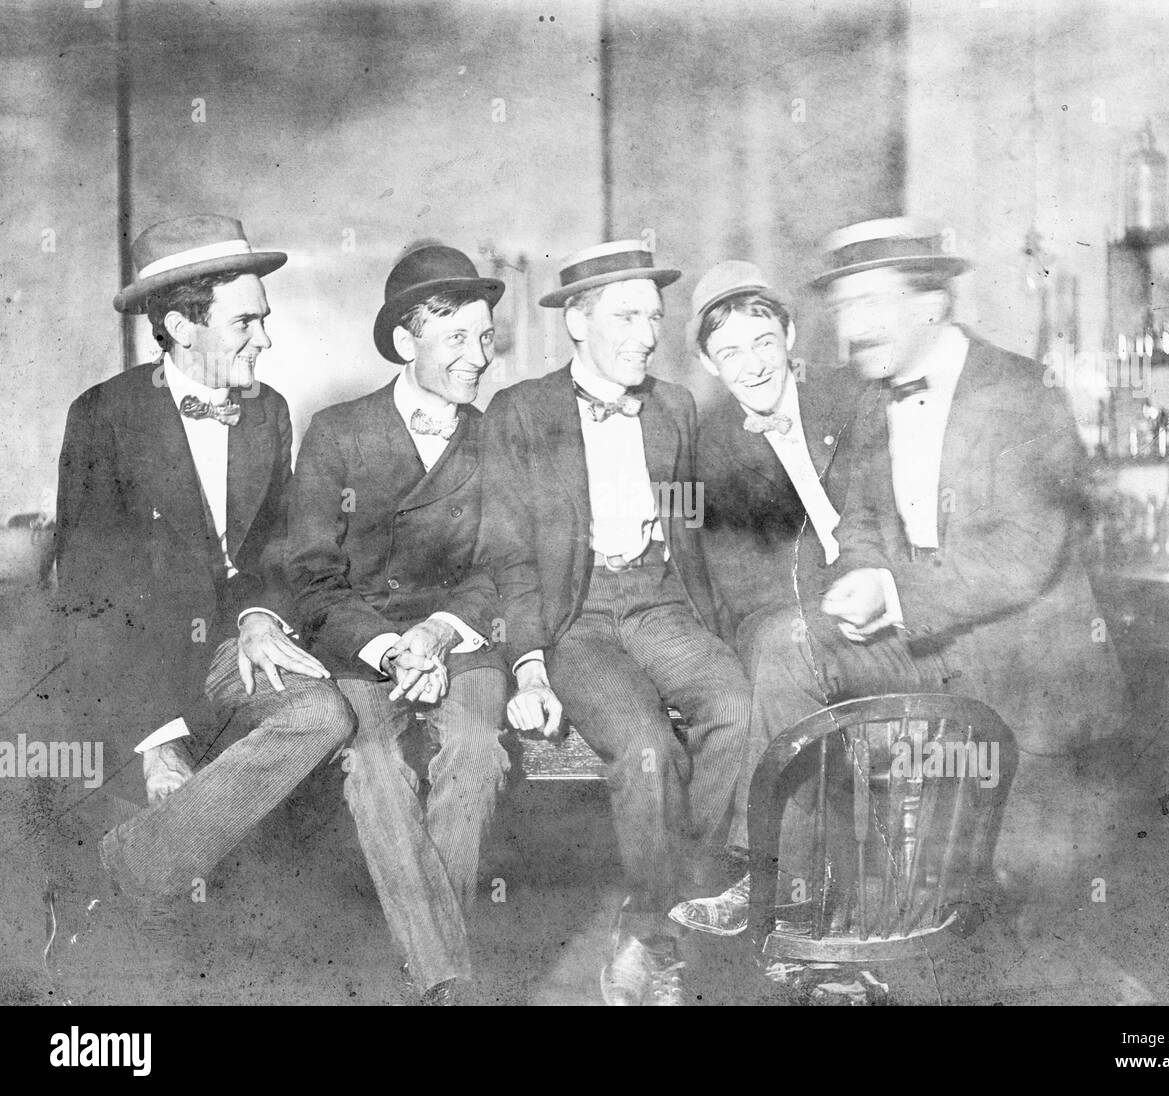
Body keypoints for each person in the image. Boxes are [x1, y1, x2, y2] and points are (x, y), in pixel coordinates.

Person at [670, 218, 1128, 936]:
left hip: (1025, 672)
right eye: (847, 306)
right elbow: (859, 523)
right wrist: (859, 576)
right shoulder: (876, 399)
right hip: (925, 650)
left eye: (872, 304)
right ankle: (787, 900)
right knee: (792, 645)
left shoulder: (1019, 392)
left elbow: (1029, 550)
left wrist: (894, 593)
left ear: (930, 304)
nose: (854, 326)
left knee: (1028, 929)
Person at [54, 214, 355, 996]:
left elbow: (270, 556)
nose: (265, 339)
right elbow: (87, 599)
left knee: (325, 713)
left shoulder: (269, 410)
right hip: (141, 667)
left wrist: (259, 615)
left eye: (265, 318)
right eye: (246, 321)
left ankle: (130, 866)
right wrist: (154, 741)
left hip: (234, 651)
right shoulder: (103, 417)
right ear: (183, 326)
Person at [477, 239, 752, 1005]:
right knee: (643, 750)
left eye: (654, 318)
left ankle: (672, 908)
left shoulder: (674, 408)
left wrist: (713, 620)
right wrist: (529, 661)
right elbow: (510, 558)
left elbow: (690, 523)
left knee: (736, 704)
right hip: (579, 618)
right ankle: (658, 927)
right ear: (577, 321)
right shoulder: (520, 413)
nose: (644, 335)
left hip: (660, 603)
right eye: (625, 316)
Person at [285, 244, 511, 1005]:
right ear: (407, 341)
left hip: (463, 642)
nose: (478, 358)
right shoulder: (336, 432)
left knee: (477, 750)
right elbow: (312, 580)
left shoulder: (494, 437)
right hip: (359, 646)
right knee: (374, 763)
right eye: (458, 340)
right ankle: (448, 982)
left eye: (486, 338)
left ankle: (428, 977)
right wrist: (390, 649)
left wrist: (440, 634)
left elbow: (499, 568)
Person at [689, 260, 864, 660]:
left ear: (789, 335)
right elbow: (746, 585)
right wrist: (838, 609)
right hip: (792, 619)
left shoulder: (851, 393)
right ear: (708, 363)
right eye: (730, 354)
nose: (753, 367)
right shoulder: (706, 448)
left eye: (764, 343)